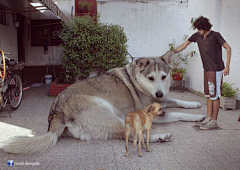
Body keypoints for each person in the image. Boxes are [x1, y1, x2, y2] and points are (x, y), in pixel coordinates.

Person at [173, 16, 231, 130]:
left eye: (200, 29)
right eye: (197, 29)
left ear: (205, 27)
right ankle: (208, 118)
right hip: (207, 69)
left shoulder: (216, 35)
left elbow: (228, 48)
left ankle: (214, 121)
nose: (198, 31)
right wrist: (170, 53)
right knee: (209, 95)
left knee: (215, 95)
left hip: (216, 70)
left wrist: (227, 66)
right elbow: (184, 45)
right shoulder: (197, 36)